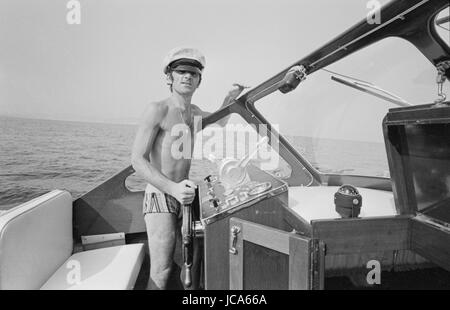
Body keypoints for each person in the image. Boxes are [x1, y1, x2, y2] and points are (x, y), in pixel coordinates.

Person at [131, 47, 247, 290]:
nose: (187, 76)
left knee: (188, 265)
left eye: (193, 73)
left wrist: (230, 98)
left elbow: (221, 122)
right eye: (181, 71)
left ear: (199, 81)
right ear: (169, 77)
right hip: (161, 195)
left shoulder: (193, 113)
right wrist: (172, 188)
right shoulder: (157, 109)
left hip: (182, 196)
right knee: (161, 272)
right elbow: (137, 160)